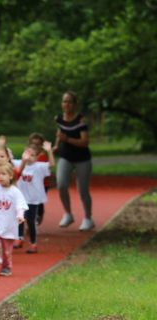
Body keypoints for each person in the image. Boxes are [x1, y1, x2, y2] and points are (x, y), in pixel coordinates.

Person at [54, 90, 94, 231]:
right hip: (66, 157)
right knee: (61, 184)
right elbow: (60, 134)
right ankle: (68, 213)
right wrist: (56, 146)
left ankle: (88, 218)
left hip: (82, 158)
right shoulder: (59, 119)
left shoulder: (81, 121)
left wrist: (68, 139)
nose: (67, 104)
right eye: (64, 101)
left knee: (83, 190)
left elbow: (85, 142)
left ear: (75, 104)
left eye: (70, 102)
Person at [15, 141, 54, 253]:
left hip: (33, 199)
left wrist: (49, 151)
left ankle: (33, 243)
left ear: (37, 157)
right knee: (19, 219)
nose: (29, 157)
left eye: (32, 155)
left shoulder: (39, 166)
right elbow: (6, 160)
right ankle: (19, 238)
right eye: (27, 154)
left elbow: (51, 164)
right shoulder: (19, 163)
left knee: (31, 221)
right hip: (21, 198)